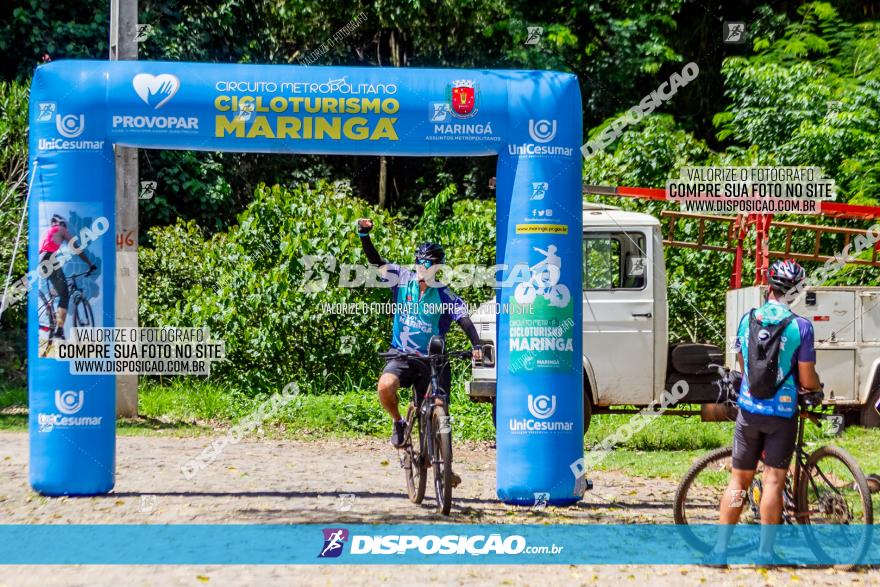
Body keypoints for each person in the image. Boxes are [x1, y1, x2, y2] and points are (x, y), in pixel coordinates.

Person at [708, 259, 822, 566]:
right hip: (781, 414)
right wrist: (815, 389)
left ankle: (719, 551)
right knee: (772, 481)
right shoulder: (802, 328)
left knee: (738, 483)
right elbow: (807, 376)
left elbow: (743, 366)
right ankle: (765, 554)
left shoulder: (747, 320)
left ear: (769, 287)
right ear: (796, 292)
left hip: (748, 412)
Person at [356, 218, 483, 453]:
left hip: (433, 359)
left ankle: (446, 462)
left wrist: (476, 344)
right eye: (421, 264)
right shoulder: (402, 279)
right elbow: (376, 261)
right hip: (402, 354)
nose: (424, 269)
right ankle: (398, 422)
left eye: (431, 265)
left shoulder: (444, 294)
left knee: (441, 411)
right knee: (385, 386)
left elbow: (463, 319)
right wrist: (364, 235)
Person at [39, 214, 96, 339]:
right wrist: (89, 263)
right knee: (64, 294)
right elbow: (76, 248)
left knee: (59, 290)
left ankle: (53, 320)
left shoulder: (48, 231)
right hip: (49, 260)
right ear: (63, 225)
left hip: (42, 261)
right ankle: (59, 329)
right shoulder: (62, 229)